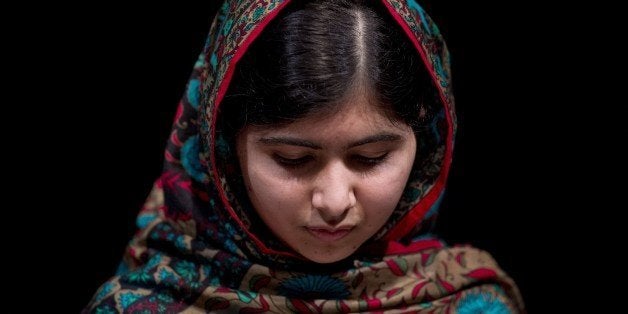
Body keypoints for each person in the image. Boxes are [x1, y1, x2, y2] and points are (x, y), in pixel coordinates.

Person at [85, 0, 524, 312]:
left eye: (371, 157)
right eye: (292, 159)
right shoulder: (139, 305)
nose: (334, 202)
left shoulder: (475, 303)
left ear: (426, 145)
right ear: (224, 152)